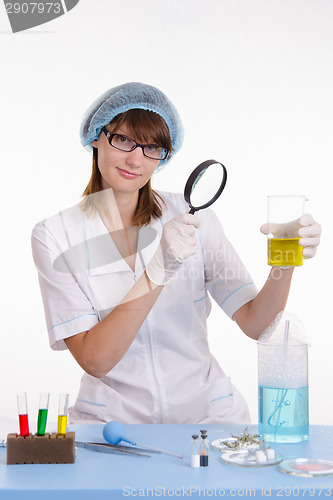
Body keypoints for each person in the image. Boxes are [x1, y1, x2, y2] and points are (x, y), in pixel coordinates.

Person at [31, 82, 321, 424]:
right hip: (111, 425)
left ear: (164, 155)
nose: (135, 159)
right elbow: (96, 360)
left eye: (152, 147)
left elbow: (257, 324)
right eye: (123, 139)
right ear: (96, 136)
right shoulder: (56, 236)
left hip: (208, 418)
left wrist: (284, 262)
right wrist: (157, 270)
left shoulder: (193, 220)